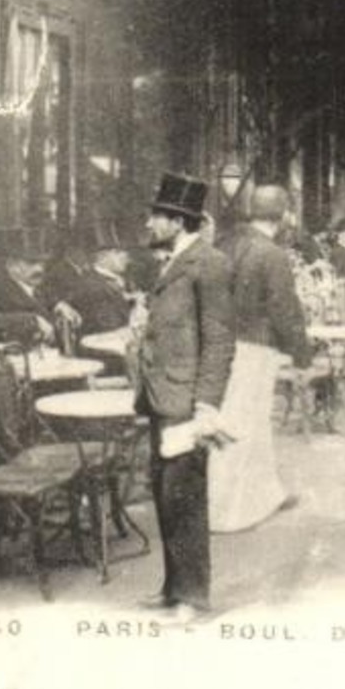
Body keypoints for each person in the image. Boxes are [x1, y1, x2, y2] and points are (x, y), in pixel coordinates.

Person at [136, 172, 235, 624]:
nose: (149, 223)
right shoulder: (174, 261)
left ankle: (193, 597)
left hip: (185, 403)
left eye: (156, 216)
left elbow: (218, 340)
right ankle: (173, 587)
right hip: (162, 398)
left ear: (177, 221)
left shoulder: (208, 263)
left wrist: (206, 405)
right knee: (164, 493)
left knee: (186, 499)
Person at [214, 184, 309, 532]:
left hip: (220, 344)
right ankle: (229, 513)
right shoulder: (272, 254)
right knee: (245, 425)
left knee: (238, 421)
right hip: (254, 347)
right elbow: (285, 310)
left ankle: (267, 494)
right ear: (282, 216)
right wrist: (301, 353)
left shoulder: (225, 243)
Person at [51, 225, 137, 336]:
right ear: (102, 256)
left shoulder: (120, 281)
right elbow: (108, 327)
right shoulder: (89, 285)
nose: (127, 256)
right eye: (118, 252)